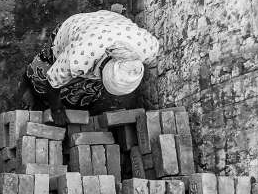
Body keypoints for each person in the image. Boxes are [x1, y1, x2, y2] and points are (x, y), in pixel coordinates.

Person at [19, 10, 160, 125]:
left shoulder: (146, 47)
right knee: (42, 80)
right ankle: (28, 82)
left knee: (83, 95)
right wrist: (56, 110)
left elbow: (153, 61)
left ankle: (78, 101)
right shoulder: (79, 57)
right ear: (103, 70)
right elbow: (52, 82)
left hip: (111, 24)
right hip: (77, 29)